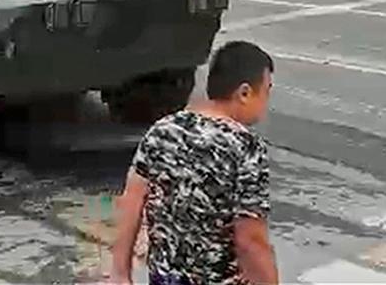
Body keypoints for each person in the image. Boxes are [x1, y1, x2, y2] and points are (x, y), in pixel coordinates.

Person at [111, 41, 279, 285]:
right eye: (266, 90)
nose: (266, 102)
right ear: (244, 93)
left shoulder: (164, 129)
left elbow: (132, 201)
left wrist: (119, 273)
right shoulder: (246, 148)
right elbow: (251, 241)